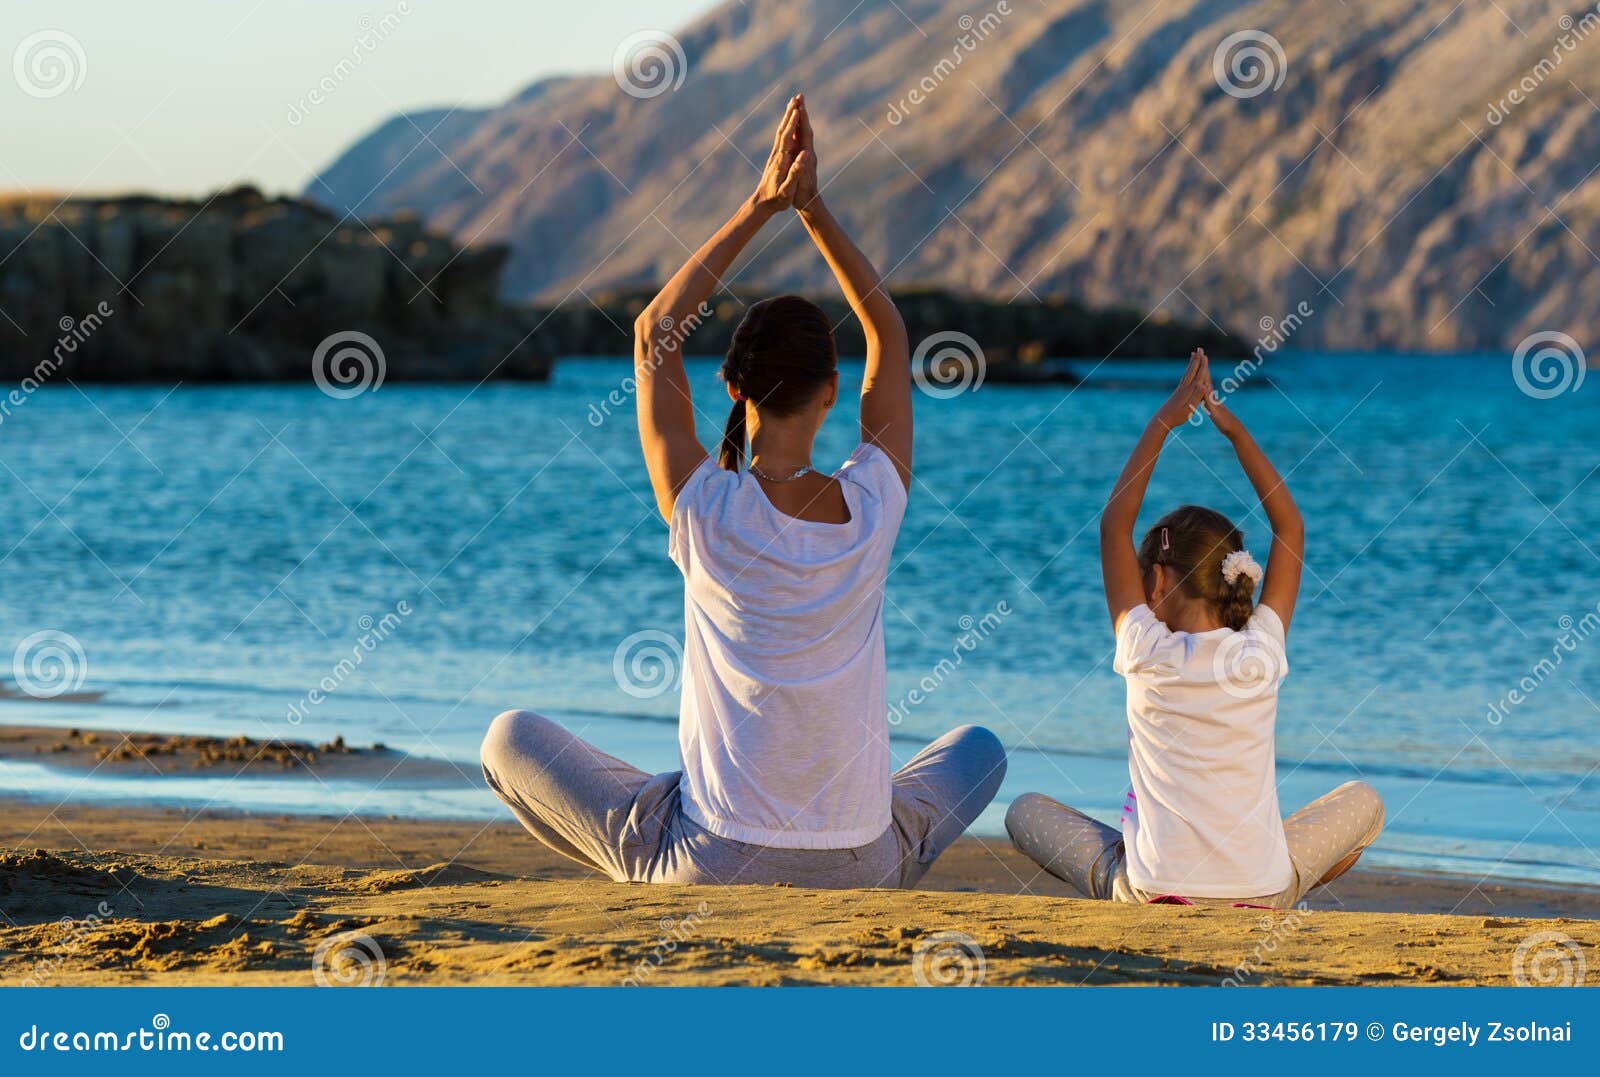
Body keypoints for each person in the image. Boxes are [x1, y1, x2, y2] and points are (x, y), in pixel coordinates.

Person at [481, 95, 1005, 888]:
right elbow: (888, 332)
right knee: (980, 750)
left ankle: (653, 862)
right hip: (861, 861)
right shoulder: (875, 504)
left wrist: (761, 204)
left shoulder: (702, 507)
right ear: (831, 392)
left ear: (734, 386)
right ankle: (851, 849)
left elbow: (654, 331)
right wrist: (813, 209)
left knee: (506, 739)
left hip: (712, 859)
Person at [1006, 350, 1382, 908]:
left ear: (1156, 583)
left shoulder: (1143, 649)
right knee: (1364, 802)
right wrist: (1234, 433)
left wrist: (1162, 423)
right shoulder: (1261, 650)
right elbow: (1290, 525)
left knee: (1022, 812)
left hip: (1152, 893)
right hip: (1258, 895)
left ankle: (1157, 884)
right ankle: (1271, 889)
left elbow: (1113, 522)